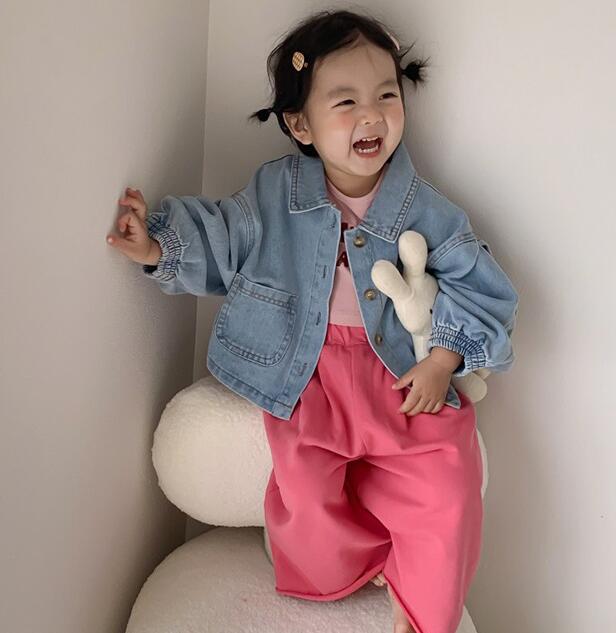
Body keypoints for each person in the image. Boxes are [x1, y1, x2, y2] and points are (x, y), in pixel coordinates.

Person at [106, 9, 519, 633]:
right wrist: (157, 245)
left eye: (386, 96)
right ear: (300, 123)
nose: (371, 116)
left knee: (447, 480)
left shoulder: (425, 209)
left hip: (399, 375)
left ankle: (422, 604)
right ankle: (346, 565)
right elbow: (226, 238)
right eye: (345, 102)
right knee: (304, 487)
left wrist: (442, 360)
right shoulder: (277, 194)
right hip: (306, 371)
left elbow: (482, 285)